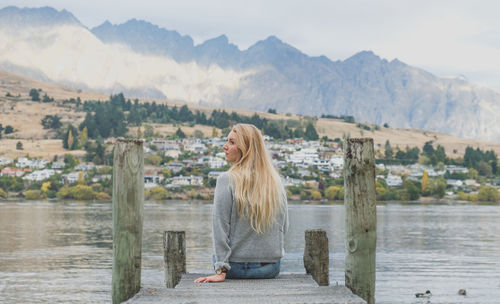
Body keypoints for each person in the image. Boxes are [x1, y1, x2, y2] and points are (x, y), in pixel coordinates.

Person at [194, 124, 289, 283]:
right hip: (270, 269)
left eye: (231, 142)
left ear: (246, 148)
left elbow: (220, 227)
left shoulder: (226, 180)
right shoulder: (275, 182)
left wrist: (221, 269)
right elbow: (284, 227)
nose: (225, 146)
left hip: (234, 269)